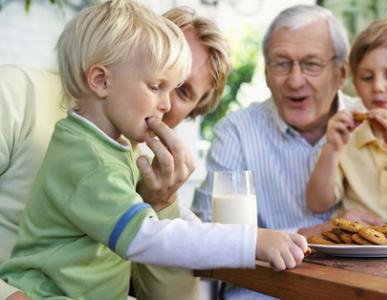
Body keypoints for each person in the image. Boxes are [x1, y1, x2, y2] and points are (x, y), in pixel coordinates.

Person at [0, 1, 308, 299]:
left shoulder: (122, 151)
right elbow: (146, 237)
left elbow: (170, 287)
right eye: (156, 83)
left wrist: (163, 204)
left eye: (181, 91)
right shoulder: (39, 111)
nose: (167, 102)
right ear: (103, 77)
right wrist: (251, 240)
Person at [191, 4, 362, 299]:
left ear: (341, 72)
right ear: (267, 71)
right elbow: (206, 235)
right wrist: (319, 232)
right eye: (282, 64)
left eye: (311, 64)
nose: (295, 81)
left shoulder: (372, 126)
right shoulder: (237, 131)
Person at [131, 6, 232, 300]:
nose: (163, 96)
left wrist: (161, 203)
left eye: (183, 91)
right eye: (166, 66)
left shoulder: (151, 181)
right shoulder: (22, 97)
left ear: (190, 115)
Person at [306, 19, 387, 230]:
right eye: (367, 77)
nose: (377, 86)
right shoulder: (348, 135)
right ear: (355, 83)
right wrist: (332, 149)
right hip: (358, 245)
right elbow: (317, 204)